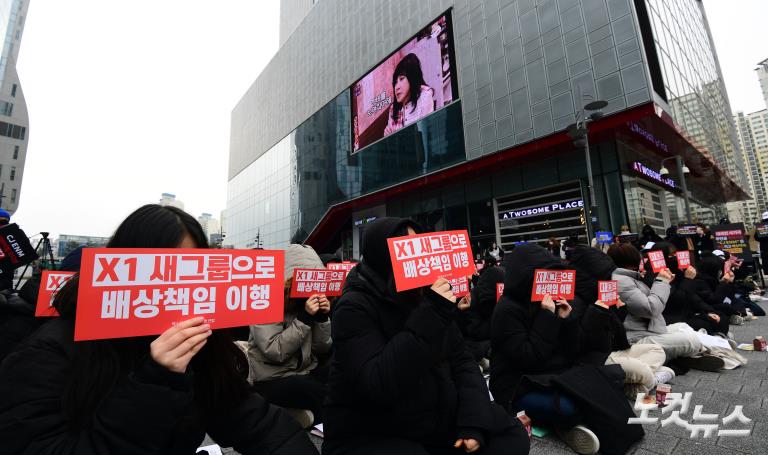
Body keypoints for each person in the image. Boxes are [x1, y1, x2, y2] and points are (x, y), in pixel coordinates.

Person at [0, 204, 317, 455]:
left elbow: (254, 421)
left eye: (192, 272)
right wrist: (154, 381)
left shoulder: (199, 346)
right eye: (166, 270)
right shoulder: (49, 352)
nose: (178, 288)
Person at [323, 218, 529, 455]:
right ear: (383, 256)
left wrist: (472, 423)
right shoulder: (353, 306)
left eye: (417, 247)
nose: (415, 256)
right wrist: (431, 313)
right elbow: (378, 384)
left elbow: (462, 361)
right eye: (404, 249)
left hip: (430, 415)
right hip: (372, 428)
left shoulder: (425, 294)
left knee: (509, 435)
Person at [491, 244, 643, 455]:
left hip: (553, 376)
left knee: (604, 388)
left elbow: (573, 351)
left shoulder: (551, 301)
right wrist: (546, 318)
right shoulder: (507, 309)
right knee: (570, 408)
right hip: (517, 385)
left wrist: (567, 320)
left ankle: (568, 425)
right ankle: (562, 427)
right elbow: (528, 358)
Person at [248, 244, 333, 428]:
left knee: (339, 374)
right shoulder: (265, 301)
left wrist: (322, 318)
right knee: (315, 392)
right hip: (271, 379)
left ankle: (311, 416)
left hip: (304, 371)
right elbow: (275, 351)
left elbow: (322, 348)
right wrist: (304, 319)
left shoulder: (308, 301)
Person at [569, 245, 671, 399]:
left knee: (657, 350)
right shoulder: (574, 299)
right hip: (595, 359)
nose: (611, 278)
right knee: (641, 369)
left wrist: (617, 311)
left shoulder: (603, 289)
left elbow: (615, 337)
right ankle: (648, 381)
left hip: (612, 350)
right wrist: (599, 310)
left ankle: (641, 381)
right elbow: (581, 343)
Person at [608, 243, 722, 370]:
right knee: (691, 339)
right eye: (671, 255)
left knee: (683, 327)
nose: (674, 258)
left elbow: (695, 298)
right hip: (637, 337)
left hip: (651, 329)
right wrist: (662, 281)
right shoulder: (621, 281)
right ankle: (697, 351)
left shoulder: (631, 277)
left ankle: (694, 352)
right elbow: (652, 308)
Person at [383, 53, 435, 135]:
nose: (396, 87)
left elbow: (426, 135)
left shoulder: (424, 96)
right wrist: (387, 137)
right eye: (395, 83)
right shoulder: (393, 108)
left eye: (401, 79)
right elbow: (392, 144)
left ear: (412, 77)